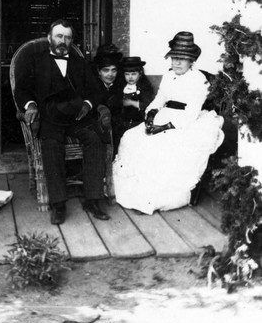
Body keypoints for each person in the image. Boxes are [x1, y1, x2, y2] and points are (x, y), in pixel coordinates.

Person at [112, 31, 224, 215]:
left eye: (181, 59)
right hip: (163, 115)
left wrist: (163, 127)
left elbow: (191, 113)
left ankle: (153, 199)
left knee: (162, 145)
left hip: (185, 122)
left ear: (191, 61)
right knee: (131, 137)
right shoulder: (168, 75)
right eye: (174, 58)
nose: (176, 63)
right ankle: (138, 195)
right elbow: (159, 99)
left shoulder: (199, 80)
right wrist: (150, 116)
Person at [14, 19, 111, 225]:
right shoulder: (35, 60)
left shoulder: (79, 62)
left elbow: (96, 90)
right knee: (51, 144)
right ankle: (58, 204)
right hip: (50, 117)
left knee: (95, 138)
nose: (62, 41)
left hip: (77, 115)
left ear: (71, 40)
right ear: (50, 38)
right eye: (59, 36)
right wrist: (30, 105)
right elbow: (21, 89)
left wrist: (87, 103)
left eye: (67, 38)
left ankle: (93, 199)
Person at [92, 44, 123, 154]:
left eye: (114, 70)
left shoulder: (120, 85)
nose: (110, 74)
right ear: (98, 71)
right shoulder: (92, 86)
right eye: (106, 70)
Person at [117, 56, 154, 145]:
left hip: (137, 121)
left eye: (133, 74)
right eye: (127, 74)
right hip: (122, 122)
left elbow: (147, 104)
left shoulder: (144, 87)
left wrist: (132, 102)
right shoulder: (121, 87)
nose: (130, 77)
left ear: (140, 73)